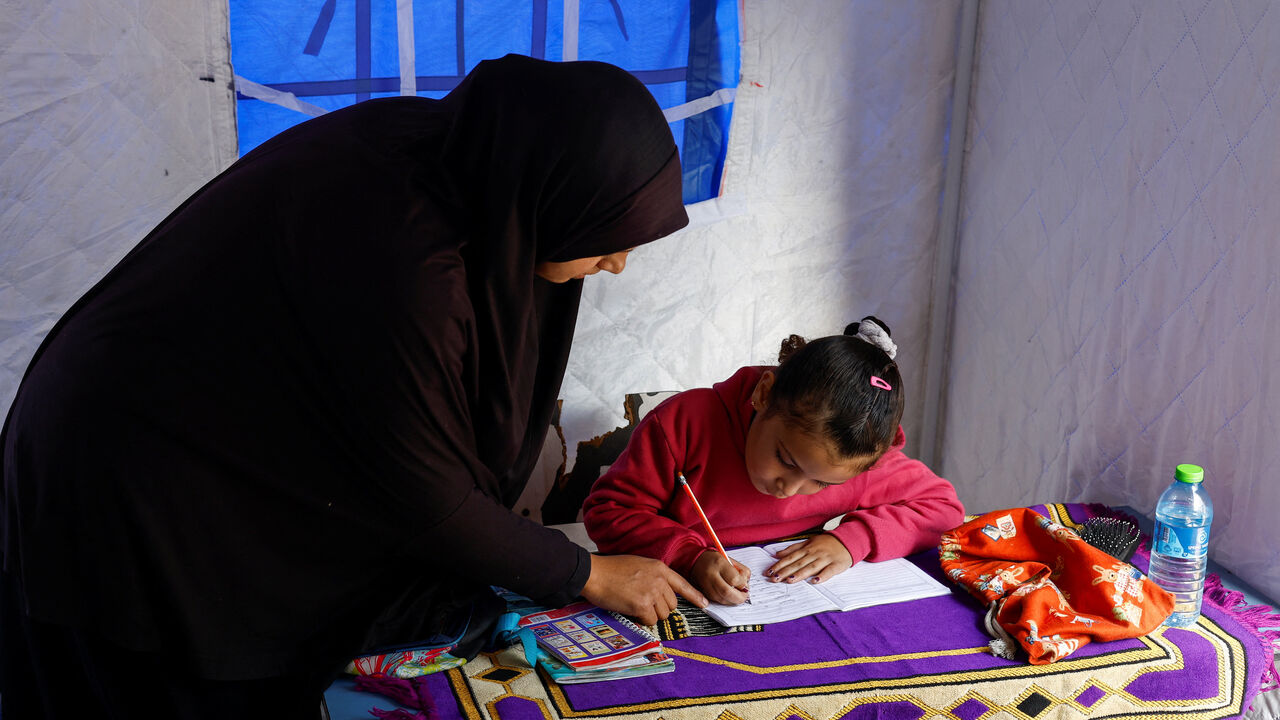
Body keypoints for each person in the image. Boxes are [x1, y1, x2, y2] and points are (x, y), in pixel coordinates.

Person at [0, 54, 707, 718]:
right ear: (543, 196)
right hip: (129, 477)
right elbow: (423, 495)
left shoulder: (448, 159)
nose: (617, 264)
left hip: (180, 438)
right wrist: (586, 573)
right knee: (147, 692)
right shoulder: (404, 261)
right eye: (608, 236)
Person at [582, 317, 965, 606]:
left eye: (822, 484)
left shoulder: (860, 460)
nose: (789, 489)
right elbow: (607, 512)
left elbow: (944, 509)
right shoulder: (685, 424)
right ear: (764, 394)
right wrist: (689, 556)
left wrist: (853, 541)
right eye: (785, 459)